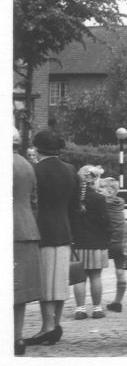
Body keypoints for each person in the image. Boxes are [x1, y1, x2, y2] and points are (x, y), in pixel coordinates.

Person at [25, 130, 80, 347]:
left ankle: (47, 327)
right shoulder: (70, 170)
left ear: (37, 148)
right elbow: (76, 206)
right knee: (58, 282)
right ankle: (55, 325)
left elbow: (32, 203)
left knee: (45, 282)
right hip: (64, 231)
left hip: (42, 231)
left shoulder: (35, 170)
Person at [13, 128, 42, 356]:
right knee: (18, 290)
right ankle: (18, 337)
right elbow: (34, 201)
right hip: (26, 229)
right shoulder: (26, 165)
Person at [71, 164, 112, 320]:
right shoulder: (99, 199)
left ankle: (80, 309)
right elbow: (106, 221)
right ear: (94, 179)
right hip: (97, 243)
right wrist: (108, 237)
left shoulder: (74, 199)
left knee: (79, 278)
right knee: (96, 276)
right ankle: (97, 308)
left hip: (78, 243)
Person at [98, 177, 127, 313]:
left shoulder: (102, 203)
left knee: (96, 273)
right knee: (120, 271)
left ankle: (96, 303)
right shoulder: (121, 202)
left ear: (109, 191)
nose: (98, 191)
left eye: (101, 189)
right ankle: (117, 302)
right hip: (121, 241)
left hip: (106, 242)